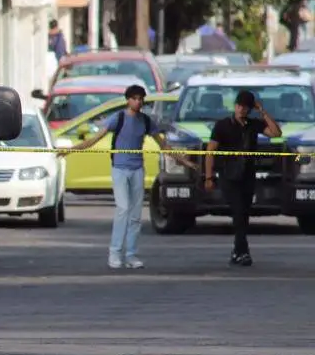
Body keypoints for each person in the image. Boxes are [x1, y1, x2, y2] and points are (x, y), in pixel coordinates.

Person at [59, 84, 191, 269]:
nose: (137, 102)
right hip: (120, 169)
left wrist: (185, 162)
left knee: (135, 214)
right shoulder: (118, 118)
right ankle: (114, 253)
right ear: (128, 100)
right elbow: (93, 139)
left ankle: (131, 255)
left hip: (137, 169)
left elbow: (164, 146)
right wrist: (70, 150)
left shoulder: (146, 121)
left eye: (140, 99)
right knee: (123, 209)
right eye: (134, 98)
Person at [203, 90, 282, 267]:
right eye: (239, 106)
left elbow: (276, 133)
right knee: (238, 211)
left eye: (245, 107)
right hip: (228, 175)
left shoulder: (254, 124)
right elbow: (210, 151)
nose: (241, 110)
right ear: (235, 106)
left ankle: (237, 252)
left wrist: (262, 111)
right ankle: (243, 251)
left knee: (244, 214)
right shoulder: (222, 125)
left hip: (247, 175)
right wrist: (208, 177)